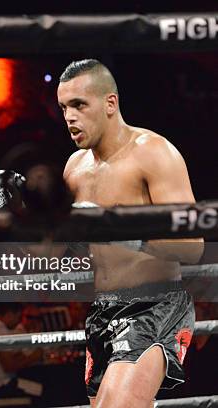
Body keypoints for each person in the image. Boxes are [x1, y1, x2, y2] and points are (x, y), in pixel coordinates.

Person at [57, 59, 203, 407]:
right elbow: (66, 255)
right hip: (102, 311)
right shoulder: (74, 170)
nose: (69, 117)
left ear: (110, 103)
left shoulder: (153, 153)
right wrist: (22, 219)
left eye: (79, 105)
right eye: (63, 107)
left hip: (155, 305)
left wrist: (123, 234)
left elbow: (193, 246)